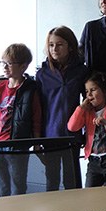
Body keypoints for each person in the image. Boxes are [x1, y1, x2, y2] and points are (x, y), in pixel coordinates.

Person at [36, 26, 89, 190]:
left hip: (72, 135)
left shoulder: (81, 71)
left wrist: (86, 134)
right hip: (50, 135)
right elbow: (37, 110)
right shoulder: (42, 74)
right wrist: (37, 139)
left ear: (70, 47)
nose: (54, 49)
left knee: (71, 181)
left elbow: (89, 103)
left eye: (59, 44)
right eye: (51, 45)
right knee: (51, 181)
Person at [0, 43, 42, 196]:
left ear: (23, 66)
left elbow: (36, 118)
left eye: (9, 63)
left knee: (18, 184)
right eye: (2, 63)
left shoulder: (30, 89)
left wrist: (36, 142)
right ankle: (2, 210)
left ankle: (18, 210)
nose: (4, 67)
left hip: (18, 145)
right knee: (1, 185)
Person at [67, 72, 106, 187]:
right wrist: (81, 108)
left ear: (104, 91)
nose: (89, 94)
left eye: (93, 90)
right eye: (87, 91)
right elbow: (72, 127)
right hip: (93, 162)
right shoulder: (87, 111)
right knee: (90, 194)